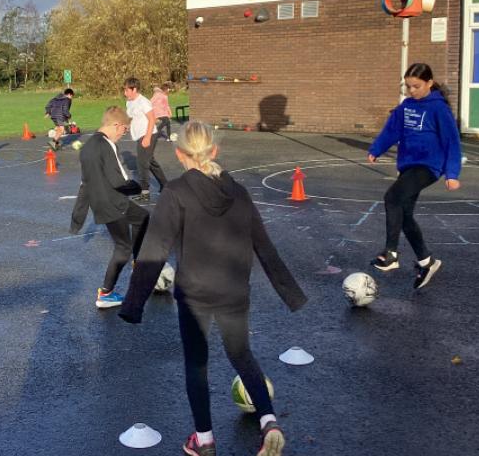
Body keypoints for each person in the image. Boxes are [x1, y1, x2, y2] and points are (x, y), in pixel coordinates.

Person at [119, 121, 306, 456]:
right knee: (241, 354)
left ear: (179, 155)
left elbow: (153, 251)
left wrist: (133, 305)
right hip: (235, 291)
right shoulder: (239, 192)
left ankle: (203, 440)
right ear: (215, 151)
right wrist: (291, 293)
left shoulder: (175, 193)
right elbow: (265, 246)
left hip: (195, 296)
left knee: (197, 365)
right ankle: (268, 421)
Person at [368, 63, 462, 289]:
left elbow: (452, 142)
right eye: (408, 86)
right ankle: (426, 261)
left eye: (417, 86)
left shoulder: (439, 109)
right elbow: (393, 130)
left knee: (392, 198)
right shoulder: (406, 106)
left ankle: (391, 254)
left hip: (429, 166)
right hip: (408, 166)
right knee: (404, 215)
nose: (412, 91)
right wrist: (377, 149)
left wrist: (452, 173)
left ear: (429, 83)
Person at [70, 106, 150, 309]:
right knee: (123, 247)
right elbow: (119, 181)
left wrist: (77, 216)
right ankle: (106, 293)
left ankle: (137, 262)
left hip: (103, 202)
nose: (123, 134)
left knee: (143, 217)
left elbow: (85, 183)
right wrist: (138, 186)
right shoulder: (107, 145)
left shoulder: (88, 146)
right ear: (115, 125)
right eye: (124, 129)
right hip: (113, 203)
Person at [124, 77, 167, 202]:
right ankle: (165, 185)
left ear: (134, 89)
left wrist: (147, 137)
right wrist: (127, 126)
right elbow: (131, 118)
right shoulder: (129, 102)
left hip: (148, 135)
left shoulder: (143, 102)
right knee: (150, 161)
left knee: (142, 163)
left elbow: (152, 119)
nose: (125, 92)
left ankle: (145, 192)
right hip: (139, 135)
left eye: (127, 90)